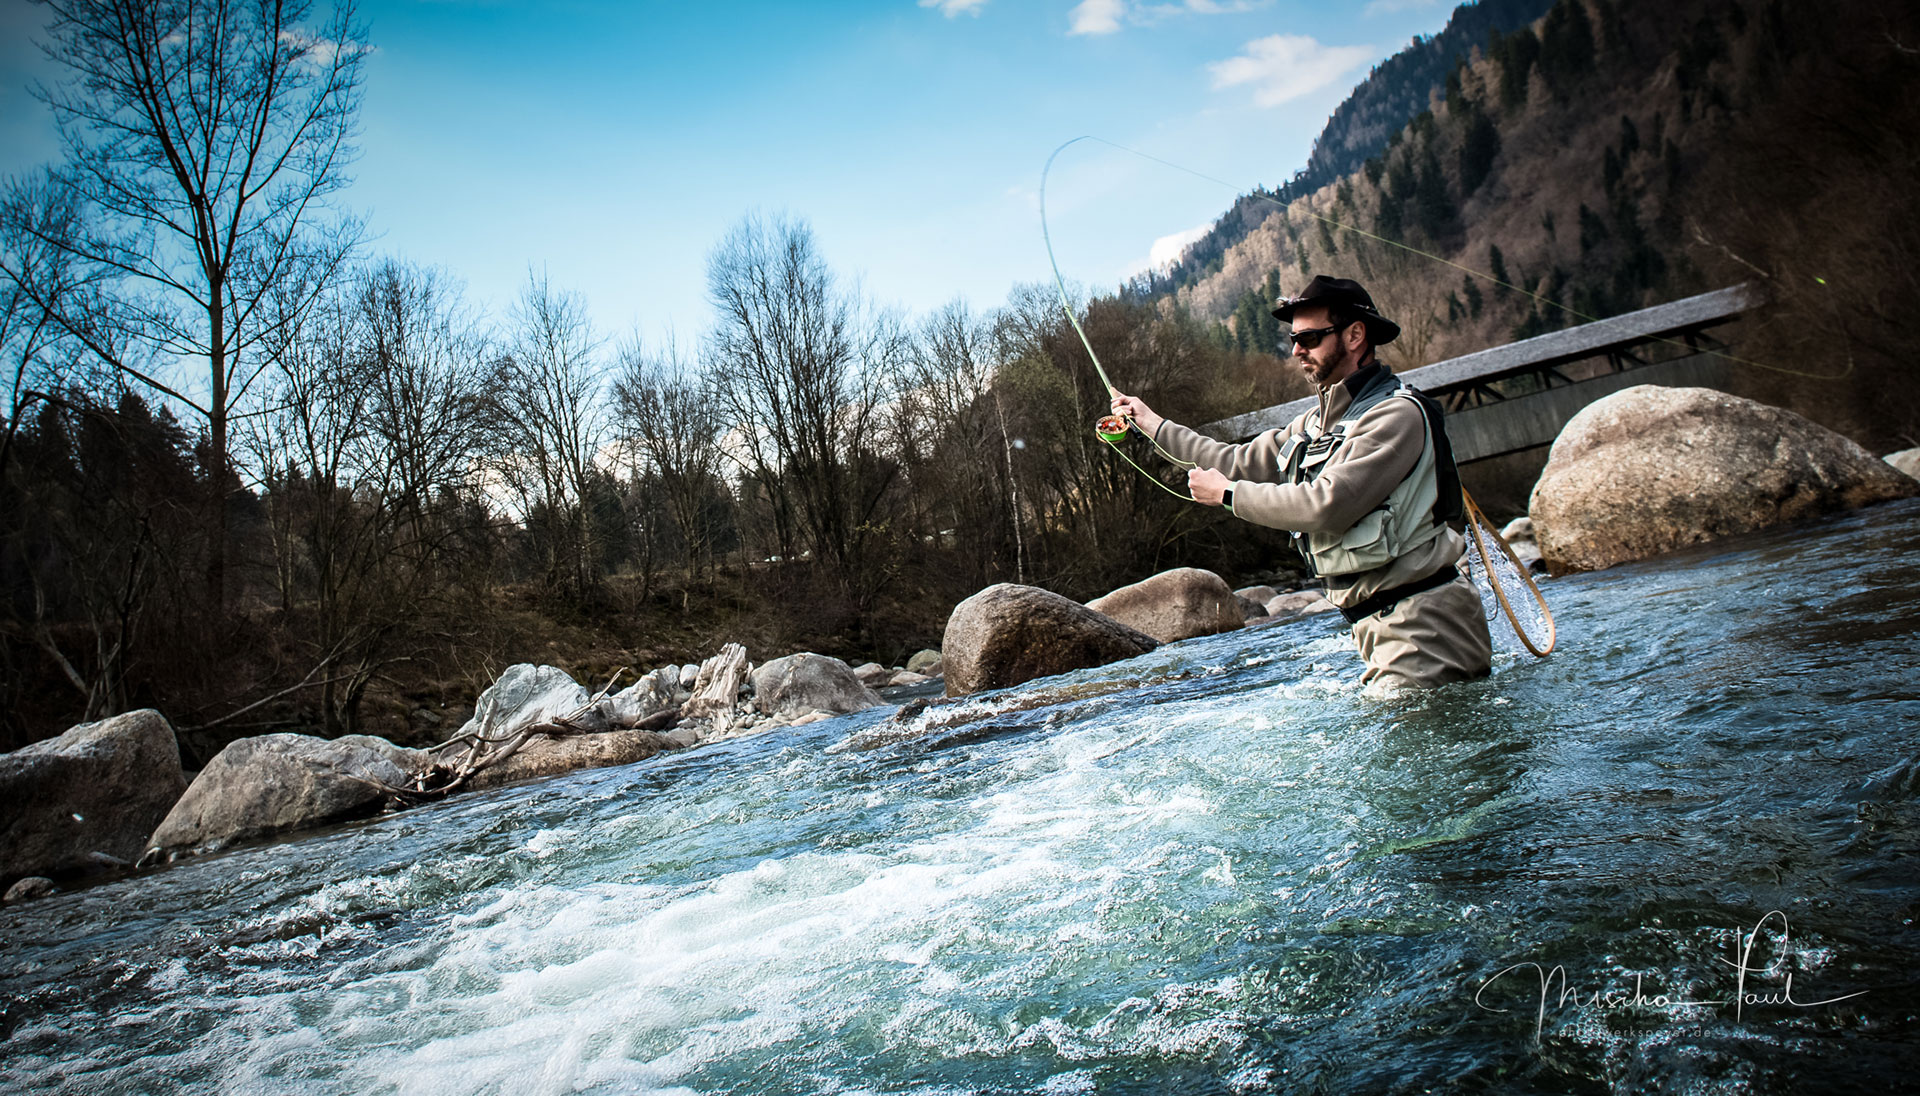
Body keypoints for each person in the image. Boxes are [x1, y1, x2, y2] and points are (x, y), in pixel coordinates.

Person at [1109, 275, 1491, 689]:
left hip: (1424, 625)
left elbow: (1328, 504)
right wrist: (1151, 423)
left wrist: (1228, 495)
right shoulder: (1313, 424)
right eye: (1294, 339)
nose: (1295, 350)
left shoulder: (1395, 415)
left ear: (1355, 335)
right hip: (1383, 624)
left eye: (1309, 338)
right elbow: (1232, 461)